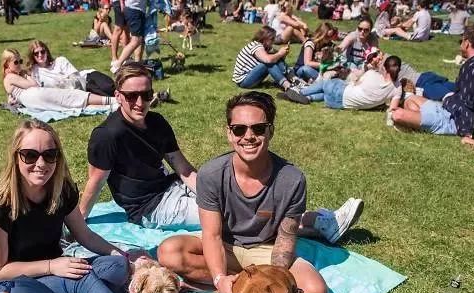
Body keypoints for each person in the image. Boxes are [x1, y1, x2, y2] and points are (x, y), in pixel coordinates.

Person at [0, 119, 211, 293]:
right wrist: (52, 265)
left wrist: (126, 257)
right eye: (29, 155)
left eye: (49, 155)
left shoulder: (60, 190)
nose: (41, 164)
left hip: (54, 272)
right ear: (15, 157)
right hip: (9, 284)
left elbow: (85, 235)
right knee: (81, 277)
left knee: (118, 266)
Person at [80, 63, 363, 242]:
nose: (140, 102)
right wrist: (77, 224)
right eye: (132, 96)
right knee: (233, 216)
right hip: (151, 208)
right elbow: (95, 182)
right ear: (118, 96)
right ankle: (319, 224)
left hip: (172, 186)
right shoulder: (107, 135)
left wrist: (210, 190)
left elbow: (184, 170)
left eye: (146, 94)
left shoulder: (157, 122)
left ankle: (318, 223)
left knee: (236, 197)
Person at [156, 92, 336, 293]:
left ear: (270, 131)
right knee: (169, 252)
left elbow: (285, 240)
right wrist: (220, 279)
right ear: (229, 133)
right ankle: (237, 286)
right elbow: (212, 235)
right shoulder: (211, 174)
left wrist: (272, 281)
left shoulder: (292, 179)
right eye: (239, 129)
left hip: (267, 250)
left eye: (258, 128)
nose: (248, 136)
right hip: (225, 246)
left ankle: (241, 287)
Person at [390, 24, 474, 150]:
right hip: (452, 109)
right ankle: (421, 120)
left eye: (462, 40)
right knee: (411, 100)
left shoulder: (471, 68)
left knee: (397, 115)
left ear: (467, 43)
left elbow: (466, 102)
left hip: (454, 120)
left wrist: (466, 134)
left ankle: (421, 121)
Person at [281, 47, 400, 110]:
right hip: (338, 104)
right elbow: (392, 109)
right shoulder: (397, 88)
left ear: (384, 67)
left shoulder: (372, 75)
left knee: (326, 83)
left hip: (341, 94)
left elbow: (355, 83)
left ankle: (300, 92)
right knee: (327, 92)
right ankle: (308, 98)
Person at [1, 49, 117, 111]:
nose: (19, 65)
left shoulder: (10, 77)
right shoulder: (11, 76)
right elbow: (34, 84)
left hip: (33, 101)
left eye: (20, 61)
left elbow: (11, 94)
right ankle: (112, 101)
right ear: (6, 64)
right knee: (71, 96)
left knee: (69, 104)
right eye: (16, 62)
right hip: (35, 95)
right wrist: (25, 75)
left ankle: (110, 104)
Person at [232, 26, 294, 91]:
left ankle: (293, 78)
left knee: (274, 58)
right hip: (243, 81)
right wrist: (280, 54)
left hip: (251, 77)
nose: (273, 41)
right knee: (268, 63)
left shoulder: (266, 47)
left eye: (274, 38)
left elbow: (277, 59)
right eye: (272, 39)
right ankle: (288, 86)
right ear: (264, 38)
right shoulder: (256, 46)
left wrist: (283, 54)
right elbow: (268, 60)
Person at [109, 0, 146, 73]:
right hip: (132, 8)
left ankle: (136, 63)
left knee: (137, 38)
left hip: (136, 9)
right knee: (136, 40)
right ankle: (117, 63)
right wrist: (121, 3)